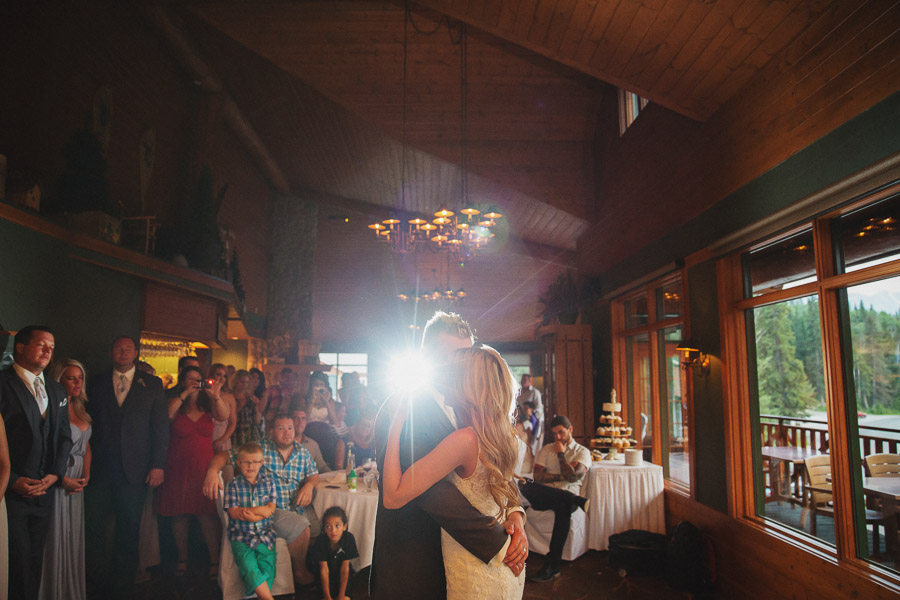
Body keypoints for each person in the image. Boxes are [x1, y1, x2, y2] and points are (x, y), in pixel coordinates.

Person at [370, 311, 527, 600]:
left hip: (462, 558)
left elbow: (496, 467)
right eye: (452, 356)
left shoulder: (470, 406)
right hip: (414, 554)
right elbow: (436, 494)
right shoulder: (404, 407)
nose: (460, 364)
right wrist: (500, 544)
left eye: (466, 355)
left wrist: (516, 514)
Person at [85, 335, 169, 599]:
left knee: (129, 528)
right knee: (93, 527)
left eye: (128, 349)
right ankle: (95, 583)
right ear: (112, 352)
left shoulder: (152, 385)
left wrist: (158, 465)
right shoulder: (96, 382)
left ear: (136, 353)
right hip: (99, 470)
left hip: (136, 470)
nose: (123, 353)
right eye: (119, 349)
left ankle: (123, 586)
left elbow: (160, 428)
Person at [0, 326, 73, 600]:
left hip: (45, 492)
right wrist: (13, 478)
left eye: (52, 348)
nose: (48, 352)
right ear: (20, 347)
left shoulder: (56, 390)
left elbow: (65, 437)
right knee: (14, 564)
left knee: (34, 561)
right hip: (11, 493)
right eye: (42, 345)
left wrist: (56, 473)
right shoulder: (2, 383)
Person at [204, 414, 319, 587]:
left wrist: (309, 485)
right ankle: (300, 573)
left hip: (295, 506)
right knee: (301, 526)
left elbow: (313, 475)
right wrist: (212, 471)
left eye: (290, 428)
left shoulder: (301, 451)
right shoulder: (259, 449)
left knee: (320, 527)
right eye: (281, 429)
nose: (287, 433)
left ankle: (292, 566)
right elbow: (224, 456)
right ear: (271, 432)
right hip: (267, 509)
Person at [155, 366, 229, 579]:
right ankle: (182, 558)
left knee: (207, 515)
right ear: (182, 381)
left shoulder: (208, 404)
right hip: (178, 466)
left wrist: (215, 396)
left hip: (204, 468)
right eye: (191, 379)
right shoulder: (174, 401)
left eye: (199, 379)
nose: (195, 382)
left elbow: (224, 417)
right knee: (180, 515)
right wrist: (185, 393)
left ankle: (214, 559)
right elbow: (167, 416)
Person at [39, 359, 93, 600]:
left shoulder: (81, 409)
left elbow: (86, 447)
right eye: (71, 377)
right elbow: (45, 450)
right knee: (55, 534)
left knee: (72, 536)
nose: (77, 382)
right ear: (59, 380)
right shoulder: (50, 407)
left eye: (80, 378)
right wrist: (62, 479)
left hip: (78, 477)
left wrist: (86, 474)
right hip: (57, 476)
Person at [520, 415, 591, 583]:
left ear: (570, 429)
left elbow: (573, 479)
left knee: (563, 506)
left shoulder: (582, 452)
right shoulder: (546, 449)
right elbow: (538, 476)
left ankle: (552, 566)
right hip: (544, 495)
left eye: (561, 432)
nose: (558, 437)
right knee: (526, 483)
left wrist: (561, 455)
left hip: (565, 496)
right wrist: (564, 476)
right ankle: (574, 499)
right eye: (555, 434)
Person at [224, 442, 278, 600]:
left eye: (255, 462)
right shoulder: (233, 485)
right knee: (249, 567)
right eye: (246, 462)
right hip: (242, 536)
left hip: (266, 535)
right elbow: (233, 512)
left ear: (261, 463)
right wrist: (259, 510)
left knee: (268, 567)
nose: (250, 466)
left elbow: (271, 509)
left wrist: (252, 514)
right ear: (238, 463)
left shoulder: (269, 483)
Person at [309, 506, 358, 600]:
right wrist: (327, 597)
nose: (333, 530)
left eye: (337, 526)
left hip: (342, 576)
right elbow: (324, 570)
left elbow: (345, 569)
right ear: (324, 528)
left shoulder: (349, 539)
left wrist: (341, 596)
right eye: (328, 526)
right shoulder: (320, 541)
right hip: (325, 577)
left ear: (345, 526)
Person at [231, 369, 263, 447]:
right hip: (234, 433)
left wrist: (256, 406)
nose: (244, 385)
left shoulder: (250, 398)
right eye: (242, 382)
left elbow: (257, 421)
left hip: (249, 434)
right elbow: (228, 418)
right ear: (236, 382)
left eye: (247, 382)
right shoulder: (230, 397)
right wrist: (240, 405)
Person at [209, 363, 237, 452]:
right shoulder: (204, 395)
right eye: (218, 375)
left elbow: (232, 422)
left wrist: (222, 440)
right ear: (211, 375)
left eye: (224, 376)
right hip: (206, 435)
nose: (222, 379)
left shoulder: (229, 397)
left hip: (222, 435)